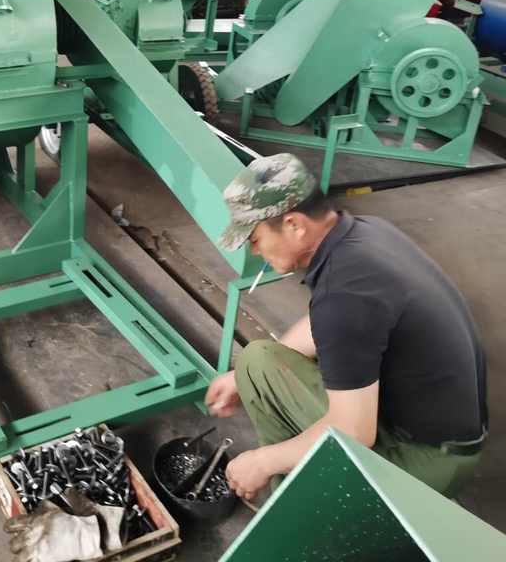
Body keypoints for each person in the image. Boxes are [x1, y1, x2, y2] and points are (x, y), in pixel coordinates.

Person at [207, 153, 487, 501]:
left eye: (255, 239)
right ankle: (296, 480)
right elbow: (327, 324)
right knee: (256, 362)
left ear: (294, 225)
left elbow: (354, 431)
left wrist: (262, 462)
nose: (255, 251)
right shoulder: (366, 233)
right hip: (447, 431)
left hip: (424, 459)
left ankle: (309, 508)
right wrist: (239, 378)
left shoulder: (345, 296)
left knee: (288, 446)